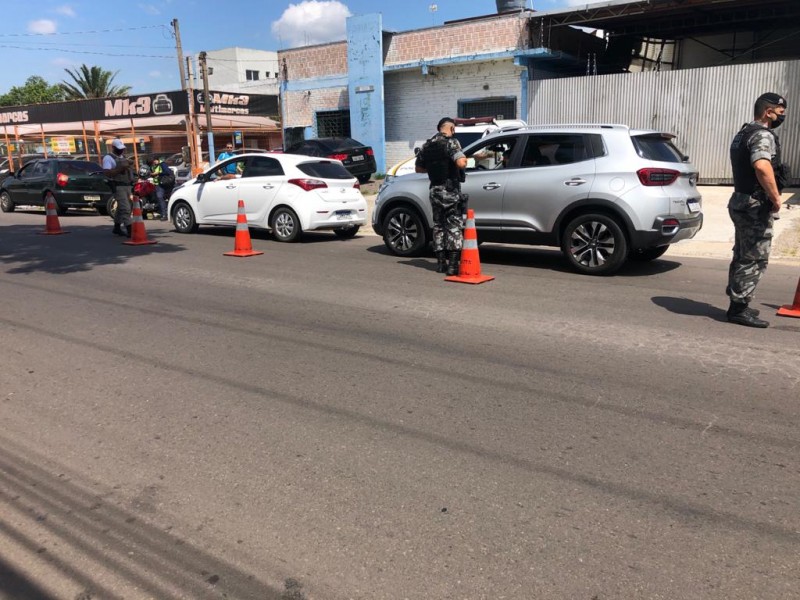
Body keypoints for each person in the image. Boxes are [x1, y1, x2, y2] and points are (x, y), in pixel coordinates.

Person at [726, 92, 788, 328]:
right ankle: (739, 309)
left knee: (743, 254)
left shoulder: (743, 133)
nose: (781, 117)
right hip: (754, 204)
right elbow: (762, 166)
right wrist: (775, 196)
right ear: (768, 111)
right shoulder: (762, 135)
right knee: (755, 257)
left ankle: (737, 301)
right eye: (780, 112)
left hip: (740, 200)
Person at [415, 117, 468, 274]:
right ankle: (452, 265)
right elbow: (461, 163)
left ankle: (440, 264)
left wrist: (434, 168)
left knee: (438, 225)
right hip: (450, 190)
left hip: (435, 190)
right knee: (453, 225)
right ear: (451, 128)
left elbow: (418, 168)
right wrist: (465, 159)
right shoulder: (452, 142)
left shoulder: (427, 145)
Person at [102, 139, 133, 237]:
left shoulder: (123, 157)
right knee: (126, 208)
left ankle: (117, 227)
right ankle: (130, 231)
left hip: (127, 185)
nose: (121, 150)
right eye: (119, 149)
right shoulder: (108, 158)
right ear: (113, 148)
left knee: (121, 207)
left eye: (122, 149)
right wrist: (121, 169)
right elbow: (107, 173)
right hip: (118, 185)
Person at [149, 156, 175, 221]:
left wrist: (159, 174)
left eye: (154, 161)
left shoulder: (162, 164)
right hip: (158, 184)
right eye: (153, 162)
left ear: (157, 160)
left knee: (160, 197)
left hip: (162, 184)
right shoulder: (154, 166)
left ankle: (164, 215)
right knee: (159, 198)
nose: (154, 162)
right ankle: (162, 213)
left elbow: (167, 172)